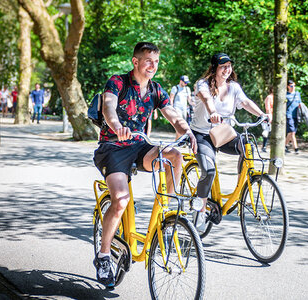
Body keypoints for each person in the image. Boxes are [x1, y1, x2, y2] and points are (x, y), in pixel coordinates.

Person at [92, 42, 197, 287]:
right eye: (148, 61)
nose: (153, 66)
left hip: (140, 145)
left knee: (174, 156)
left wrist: (187, 132)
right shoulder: (117, 82)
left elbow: (173, 115)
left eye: (156, 62)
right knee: (120, 200)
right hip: (113, 147)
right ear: (136, 61)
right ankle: (104, 255)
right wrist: (117, 127)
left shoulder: (156, 89)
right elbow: (109, 107)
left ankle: (168, 212)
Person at [191, 53, 270, 230]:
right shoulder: (202, 84)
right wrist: (213, 112)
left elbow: (246, 102)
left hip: (224, 133)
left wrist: (262, 115)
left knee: (246, 144)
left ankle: (243, 183)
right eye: (222, 66)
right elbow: (206, 98)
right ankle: (200, 211)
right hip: (202, 135)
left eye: (229, 66)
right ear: (214, 68)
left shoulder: (233, 87)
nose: (227, 69)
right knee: (209, 171)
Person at [285, 80, 302, 154]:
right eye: (291, 86)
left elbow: (300, 103)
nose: (293, 87)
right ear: (288, 86)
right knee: (292, 132)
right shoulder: (286, 95)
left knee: (292, 132)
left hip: (296, 116)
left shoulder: (297, 94)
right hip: (289, 115)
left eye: (294, 86)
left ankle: (284, 146)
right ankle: (296, 148)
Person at [261, 86, 274, 152]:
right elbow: (268, 108)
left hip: (275, 116)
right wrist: (269, 116)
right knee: (267, 131)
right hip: (270, 116)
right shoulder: (269, 97)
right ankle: (264, 146)